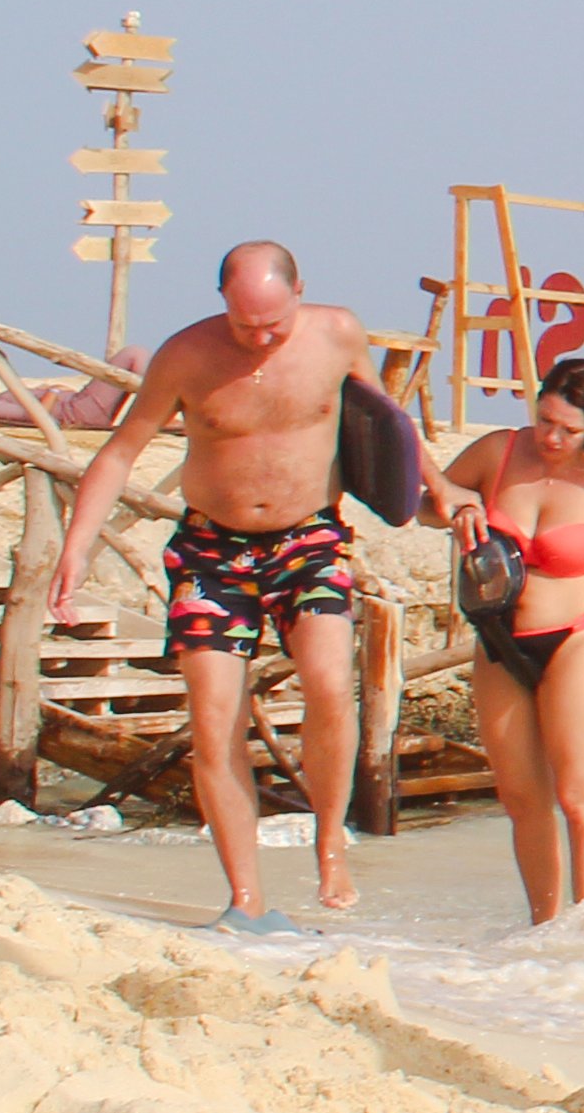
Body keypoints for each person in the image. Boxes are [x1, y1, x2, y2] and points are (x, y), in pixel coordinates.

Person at [41, 243, 375, 928]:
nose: (258, 339)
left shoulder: (338, 334)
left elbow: (388, 435)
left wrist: (440, 495)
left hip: (307, 537)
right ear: (222, 299)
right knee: (215, 717)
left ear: (300, 291)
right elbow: (120, 451)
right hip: (210, 550)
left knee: (329, 681)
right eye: (244, 324)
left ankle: (330, 839)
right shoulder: (186, 355)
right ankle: (246, 897)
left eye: (273, 325)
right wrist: (75, 550)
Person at [433, 353, 584, 925]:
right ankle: (545, 933)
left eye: (569, 429)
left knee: (578, 797)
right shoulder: (499, 451)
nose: (552, 437)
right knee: (521, 800)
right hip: (499, 638)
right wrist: (458, 506)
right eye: (545, 420)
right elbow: (429, 498)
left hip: (579, 635)